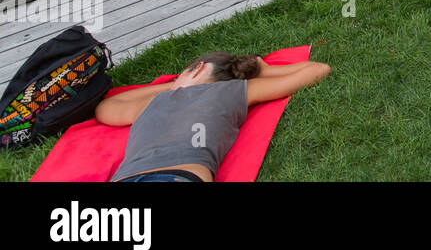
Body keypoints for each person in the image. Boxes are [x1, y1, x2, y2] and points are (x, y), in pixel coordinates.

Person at [96, 51, 331, 182]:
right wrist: (265, 70)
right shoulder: (232, 92)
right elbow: (317, 69)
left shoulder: (154, 101)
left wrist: (172, 87)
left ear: (198, 68)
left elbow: (107, 108)